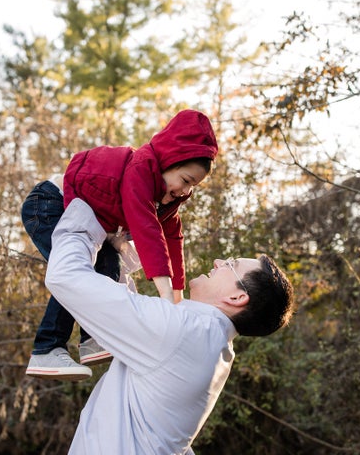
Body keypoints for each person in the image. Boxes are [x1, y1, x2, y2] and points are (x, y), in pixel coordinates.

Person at [45, 198, 295, 454]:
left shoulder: (184, 331)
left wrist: (82, 208)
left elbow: (65, 275)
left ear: (237, 298)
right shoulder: (212, 345)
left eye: (230, 264)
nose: (218, 261)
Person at [21, 109, 218, 380]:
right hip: (49, 205)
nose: (185, 191)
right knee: (73, 272)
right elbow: (147, 230)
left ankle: (92, 339)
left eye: (192, 186)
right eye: (185, 180)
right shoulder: (140, 170)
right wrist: (165, 299)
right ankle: (46, 349)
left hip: (89, 222)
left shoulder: (169, 200)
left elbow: (173, 239)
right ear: (168, 160)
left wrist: (177, 294)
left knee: (108, 266)